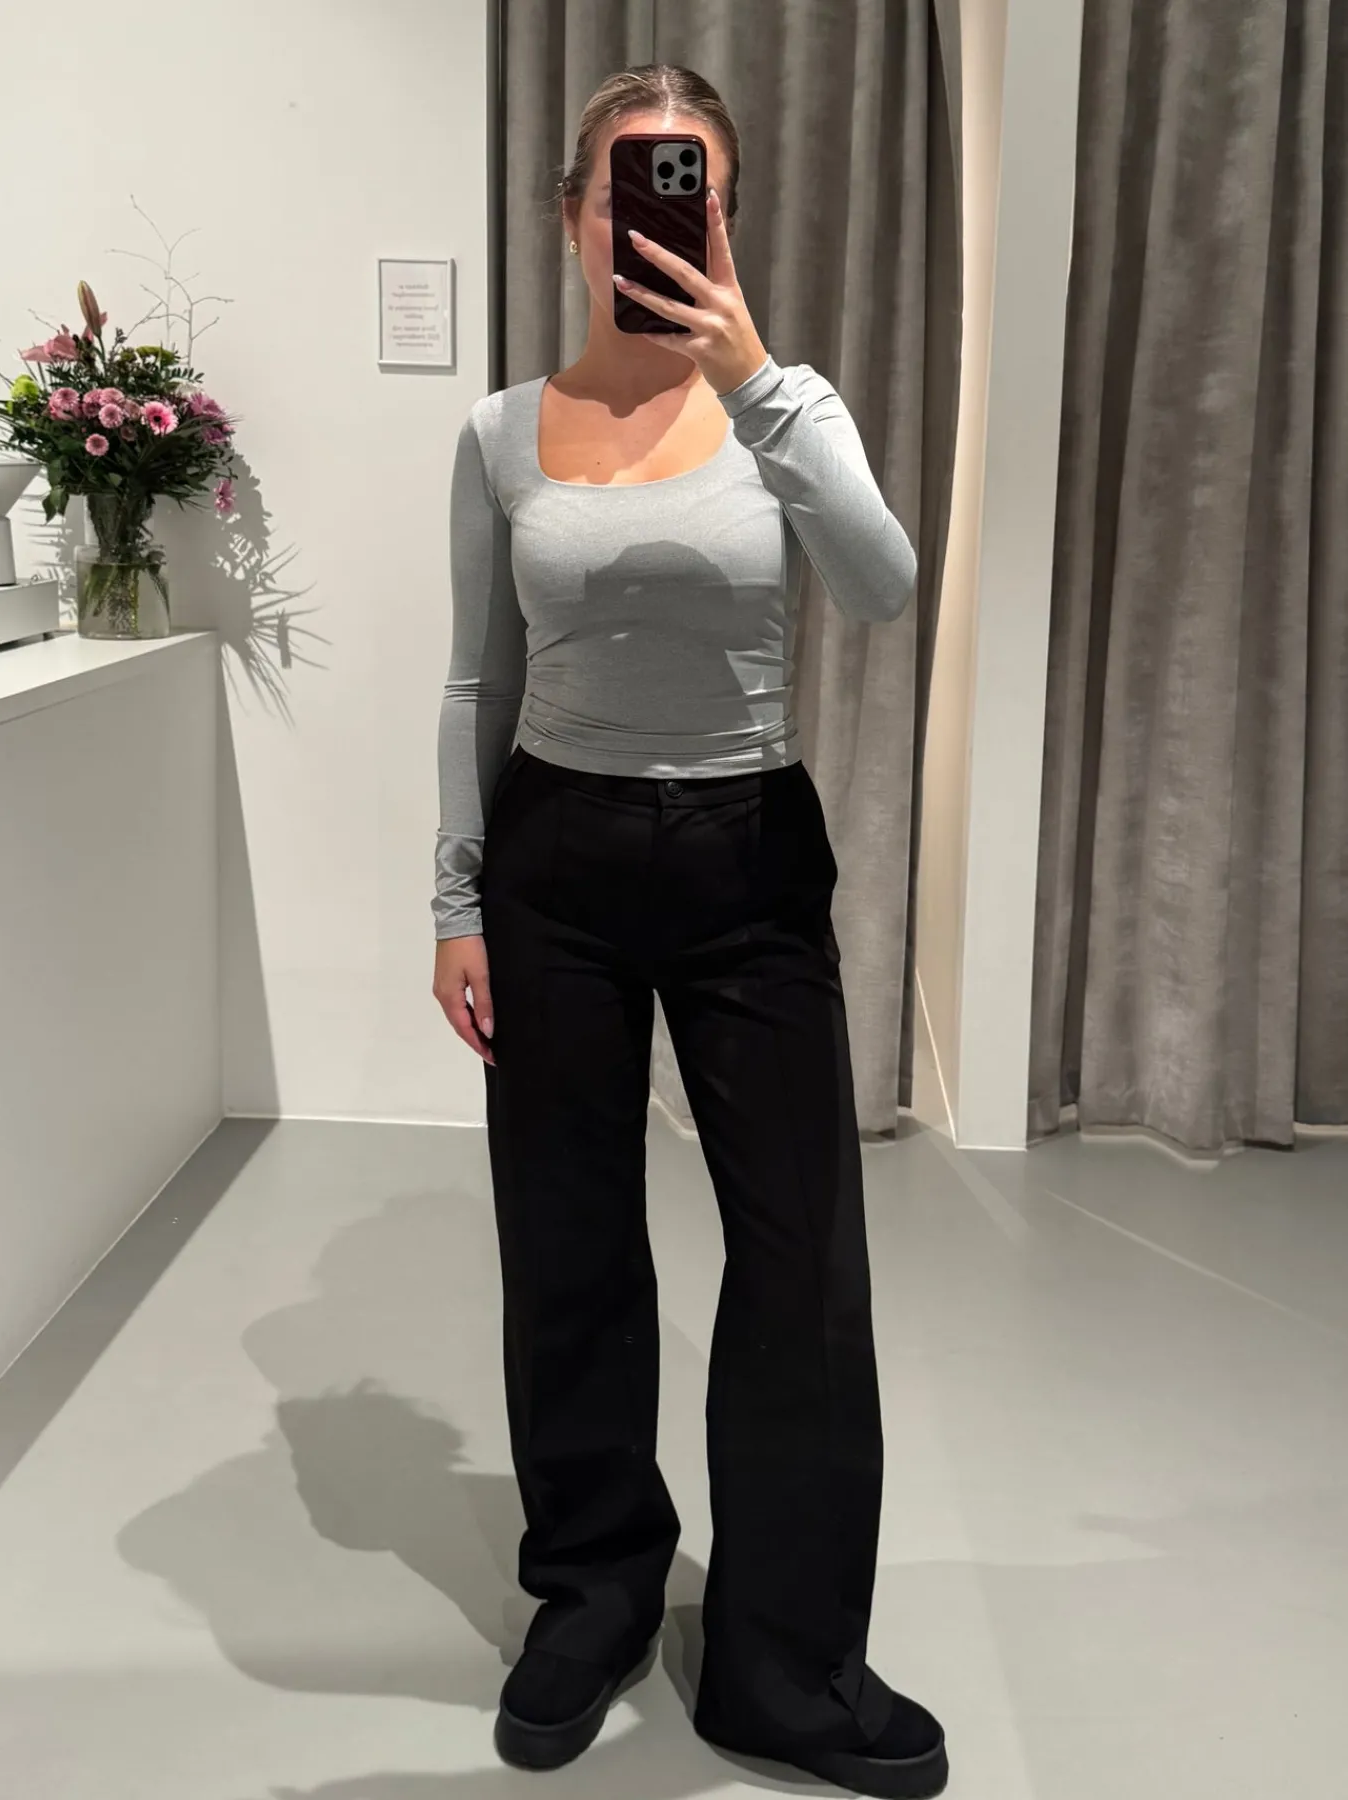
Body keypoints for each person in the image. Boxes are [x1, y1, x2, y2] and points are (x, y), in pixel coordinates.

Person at [431, 61, 948, 1800]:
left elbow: (880, 587)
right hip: (555, 860)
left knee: (800, 1261)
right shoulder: (499, 433)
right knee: (567, 1241)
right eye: (631, 190)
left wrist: (753, 377)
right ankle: (589, 1591)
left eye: (695, 191)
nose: (659, 220)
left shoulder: (784, 406)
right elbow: (473, 681)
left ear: (722, 217)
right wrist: (455, 898)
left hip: (747, 856)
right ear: (574, 216)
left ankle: (783, 1662)